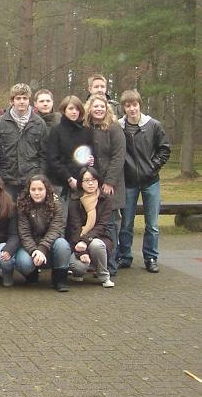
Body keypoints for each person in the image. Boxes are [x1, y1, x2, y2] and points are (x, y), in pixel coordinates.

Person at [117, 89, 171, 273]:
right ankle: (124, 255)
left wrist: (152, 167)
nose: (132, 109)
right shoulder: (119, 127)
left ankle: (151, 257)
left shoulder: (153, 125)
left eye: (135, 105)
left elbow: (164, 149)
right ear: (124, 108)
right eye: (128, 106)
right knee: (126, 223)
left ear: (140, 105)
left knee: (152, 224)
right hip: (129, 181)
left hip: (151, 181)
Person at [85, 94, 125, 276]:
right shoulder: (86, 128)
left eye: (102, 106)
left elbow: (119, 156)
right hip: (91, 183)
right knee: (92, 223)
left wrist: (109, 182)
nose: (99, 109)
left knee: (110, 225)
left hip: (111, 185)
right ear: (90, 109)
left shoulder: (114, 128)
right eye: (96, 106)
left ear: (107, 108)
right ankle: (95, 263)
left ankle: (111, 264)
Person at [13, 174, 72, 291]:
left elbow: (55, 230)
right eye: (33, 189)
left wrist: (42, 249)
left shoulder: (57, 205)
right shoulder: (22, 205)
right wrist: (34, 250)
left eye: (40, 189)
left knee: (63, 245)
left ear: (47, 190)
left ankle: (59, 279)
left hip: (51, 245)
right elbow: (24, 233)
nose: (37, 192)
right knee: (23, 262)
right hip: (30, 246)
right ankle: (32, 276)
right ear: (28, 191)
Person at [0, 83, 48, 199]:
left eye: (25, 98)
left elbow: (44, 154)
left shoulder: (39, 123)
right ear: (12, 101)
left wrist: (40, 176)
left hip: (31, 179)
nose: (22, 101)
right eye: (18, 98)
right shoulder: (0, 123)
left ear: (29, 100)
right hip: (7, 179)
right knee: (8, 209)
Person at [66, 166, 115, 288]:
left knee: (96, 245)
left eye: (93, 180)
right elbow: (75, 227)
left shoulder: (105, 199)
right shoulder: (75, 200)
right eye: (87, 180)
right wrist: (83, 252)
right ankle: (78, 273)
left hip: (100, 237)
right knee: (78, 267)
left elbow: (102, 225)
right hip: (77, 240)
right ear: (81, 183)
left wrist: (85, 241)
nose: (91, 183)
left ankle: (104, 276)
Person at [45, 95, 94, 200]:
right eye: (71, 109)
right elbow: (53, 159)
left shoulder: (86, 131)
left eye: (77, 109)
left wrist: (91, 160)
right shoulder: (56, 131)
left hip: (83, 182)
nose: (74, 112)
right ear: (64, 110)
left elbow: (91, 153)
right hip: (61, 183)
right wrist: (69, 178)